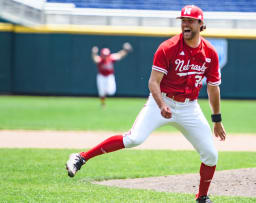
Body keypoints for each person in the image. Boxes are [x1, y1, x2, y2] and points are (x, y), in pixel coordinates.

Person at [66, 5, 226, 203]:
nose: (185, 24)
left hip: (189, 107)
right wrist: (161, 105)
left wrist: (217, 120)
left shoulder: (210, 52)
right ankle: (81, 158)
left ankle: (202, 197)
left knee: (211, 155)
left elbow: (213, 88)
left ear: (201, 24)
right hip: (162, 101)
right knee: (134, 139)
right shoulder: (168, 47)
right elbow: (153, 82)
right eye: (183, 20)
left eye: (190, 21)